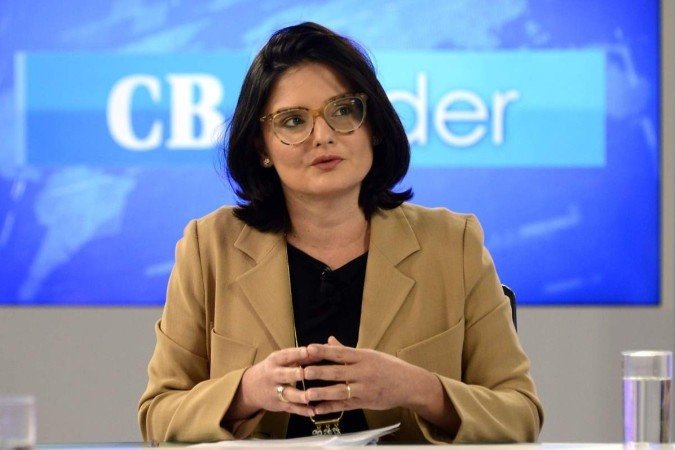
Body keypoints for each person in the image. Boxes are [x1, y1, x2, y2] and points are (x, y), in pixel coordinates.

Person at [138, 22, 543, 444]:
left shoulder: (452, 243)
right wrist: (247, 391)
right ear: (261, 148)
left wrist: (419, 388)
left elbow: (519, 415)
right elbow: (158, 415)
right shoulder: (210, 247)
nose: (323, 136)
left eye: (343, 111)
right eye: (293, 121)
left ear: (375, 126)